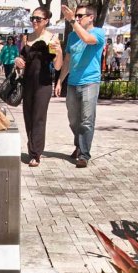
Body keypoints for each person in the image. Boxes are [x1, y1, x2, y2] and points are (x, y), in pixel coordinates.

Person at [55, 4, 105, 168]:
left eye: (80, 16)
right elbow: (68, 60)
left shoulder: (98, 33)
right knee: (73, 120)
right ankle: (79, 144)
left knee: (86, 121)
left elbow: (87, 39)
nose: (76, 19)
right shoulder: (72, 37)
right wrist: (60, 80)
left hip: (90, 82)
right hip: (72, 83)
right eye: (75, 16)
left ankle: (84, 154)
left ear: (91, 17)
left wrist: (71, 21)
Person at [14, 7, 63, 167]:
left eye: (38, 19)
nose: (34, 21)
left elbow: (57, 66)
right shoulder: (26, 38)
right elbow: (22, 59)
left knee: (38, 118)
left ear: (46, 21)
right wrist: (18, 61)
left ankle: (36, 153)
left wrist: (59, 52)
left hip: (44, 84)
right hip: (28, 83)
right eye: (32, 18)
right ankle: (31, 149)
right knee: (28, 117)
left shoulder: (52, 39)